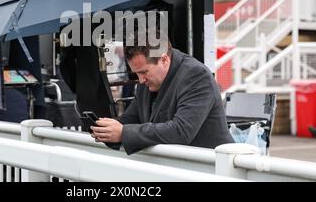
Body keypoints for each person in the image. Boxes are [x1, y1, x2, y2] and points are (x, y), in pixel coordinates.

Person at [90, 27, 234, 155]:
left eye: (144, 72)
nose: (140, 80)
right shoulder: (149, 78)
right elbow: (131, 118)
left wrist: (123, 133)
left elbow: (181, 131)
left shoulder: (196, 75)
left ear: (164, 60)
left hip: (212, 171)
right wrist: (106, 129)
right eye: (137, 74)